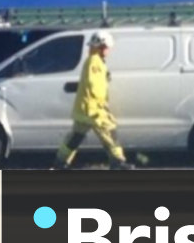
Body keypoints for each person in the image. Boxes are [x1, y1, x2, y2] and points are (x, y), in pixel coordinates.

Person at [54, 30, 134, 170]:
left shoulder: (94, 61)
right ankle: (118, 162)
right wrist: (102, 105)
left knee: (76, 137)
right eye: (107, 47)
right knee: (110, 133)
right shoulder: (95, 61)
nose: (109, 50)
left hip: (84, 109)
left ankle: (61, 162)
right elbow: (94, 85)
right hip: (94, 110)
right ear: (102, 46)